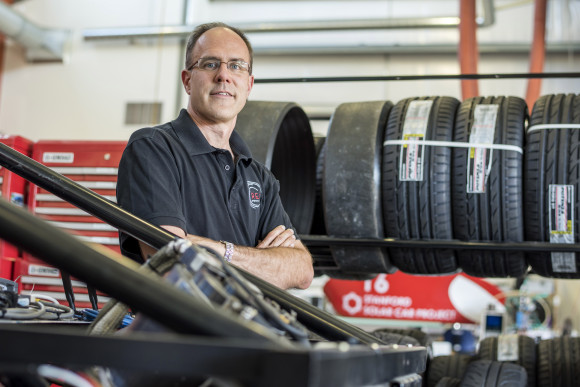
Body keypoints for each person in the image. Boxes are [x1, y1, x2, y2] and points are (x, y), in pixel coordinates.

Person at [117, 22, 313, 290]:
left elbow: (301, 270)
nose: (224, 75)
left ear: (249, 84)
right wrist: (264, 260)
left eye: (236, 66)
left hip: (247, 330)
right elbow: (170, 262)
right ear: (187, 80)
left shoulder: (259, 177)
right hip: (175, 330)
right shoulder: (153, 149)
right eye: (210, 64)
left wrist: (220, 250)